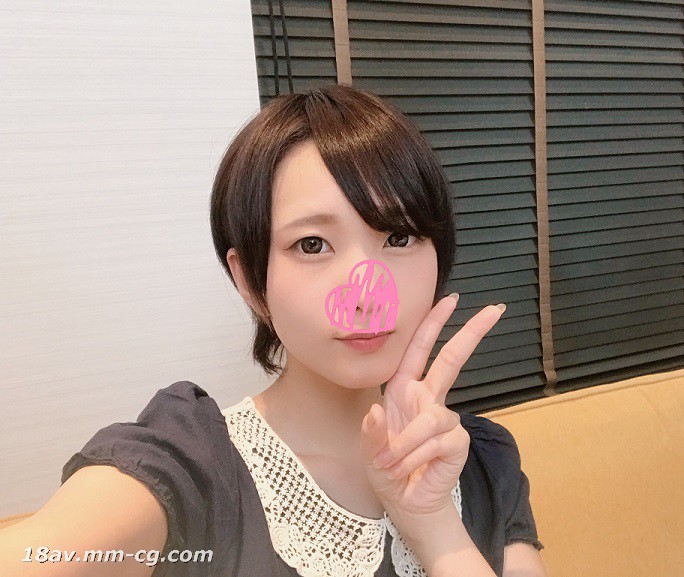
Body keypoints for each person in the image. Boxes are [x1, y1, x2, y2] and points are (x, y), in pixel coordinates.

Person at [0, 85, 547, 577]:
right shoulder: (193, 464)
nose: (366, 294)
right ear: (249, 279)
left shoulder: (482, 461)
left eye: (399, 238)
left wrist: (434, 526)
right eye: (312, 245)